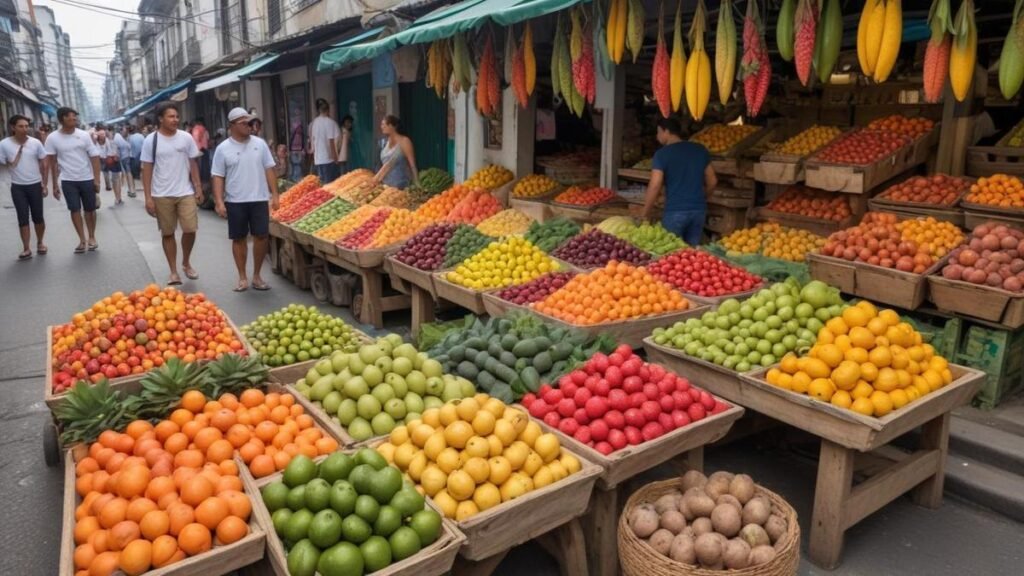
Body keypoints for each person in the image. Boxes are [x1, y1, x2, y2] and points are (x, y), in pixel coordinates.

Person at [212, 107, 279, 292]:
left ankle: (257, 275)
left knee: (261, 236)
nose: (250, 126)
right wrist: (219, 201)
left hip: (259, 198)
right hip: (236, 200)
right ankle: (242, 277)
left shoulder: (260, 144)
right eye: (244, 123)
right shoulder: (223, 149)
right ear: (232, 125)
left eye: (251, 122)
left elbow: (269, 169)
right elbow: (218, 176)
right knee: (239, 238)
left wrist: (275, 195)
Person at [141, 101, 204, 286]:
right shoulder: (150, 141)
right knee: (167, 233)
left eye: (177, 116)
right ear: (161, 119)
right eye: (171, 116)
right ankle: (174, 271)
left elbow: (193, 163)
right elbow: (147, 169)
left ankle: (186, 262)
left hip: (185, 191)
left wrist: (198, 187)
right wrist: (148, 197)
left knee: (190, 229)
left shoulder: (186, 138)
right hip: (161, 194)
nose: (175, 119)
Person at [642, 117, 717, 246]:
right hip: (698, 211)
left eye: (658, 132)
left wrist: (645, 213)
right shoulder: (699, 150)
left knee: (671, 255)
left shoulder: (661, 154)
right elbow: (713, 181)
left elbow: (655, 185)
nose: (656, 136)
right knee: (691, 257)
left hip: (675, 211)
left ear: (666, 131)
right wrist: (702, 197)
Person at [46, 107, 101, 253]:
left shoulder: (83, 135)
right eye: (69, 117)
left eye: (74, 117)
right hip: (68, 180)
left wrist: (97, 180)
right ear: (61, 119)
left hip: (86, 178)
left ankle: (92, 237)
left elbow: (94, 156)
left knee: (90, 210)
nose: (73, 119)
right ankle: (82, 240)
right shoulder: (52, 138)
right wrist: (54, 186)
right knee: (74, 209)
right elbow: (52, 162)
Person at [2, 115, 49, 259]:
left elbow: (43, 162)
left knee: (38, 217)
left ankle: (40, 242)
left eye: (26, 126)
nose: (24, 129)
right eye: (21, 126)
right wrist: (12, 162)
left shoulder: (36, 143)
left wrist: (45, 184)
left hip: (35, 185)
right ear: (13, 127)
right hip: (17, 187)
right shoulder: (4, 144)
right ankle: (26, 248)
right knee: (22, 218)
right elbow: (2, 164)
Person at [374, 115, 417, 189]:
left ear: (391, 126)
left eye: (384, 124)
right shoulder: (385, 143)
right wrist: (376, 180)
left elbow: (412, 165)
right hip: (386, 186)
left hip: (401, 185)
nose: (381, 127)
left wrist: (417, 183)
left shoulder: (404, 141)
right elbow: (385, 166)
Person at [309, 98, 341, 183]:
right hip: (328, 160)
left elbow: (313, 141)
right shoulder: (330, 123)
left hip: (318, 160)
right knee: (330, 185)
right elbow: (332, 143)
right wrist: (335, 159)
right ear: (328, 109)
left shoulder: (314, 123)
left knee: (322, 186)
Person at [96, 132, 123, 205]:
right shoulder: (95, 144)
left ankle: (118, 197)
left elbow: (116, 154)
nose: (102, 136)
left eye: (103, 134)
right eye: (100, 134)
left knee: (115, 180)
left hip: (113, 162)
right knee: (109, 179)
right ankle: (117, 196)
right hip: (104, 163)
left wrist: (114, 156)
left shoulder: (111, 142)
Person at [113, 127, 135, 197]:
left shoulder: (122, 137)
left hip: (126, 157)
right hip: (125, 157)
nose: (125, 132)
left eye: (126, 131)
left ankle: (131, 190)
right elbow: (126, 146)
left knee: (128, 173)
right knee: (128, 173)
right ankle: (131, 189)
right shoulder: (118, 137)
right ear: (121, 130)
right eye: (124, 131)